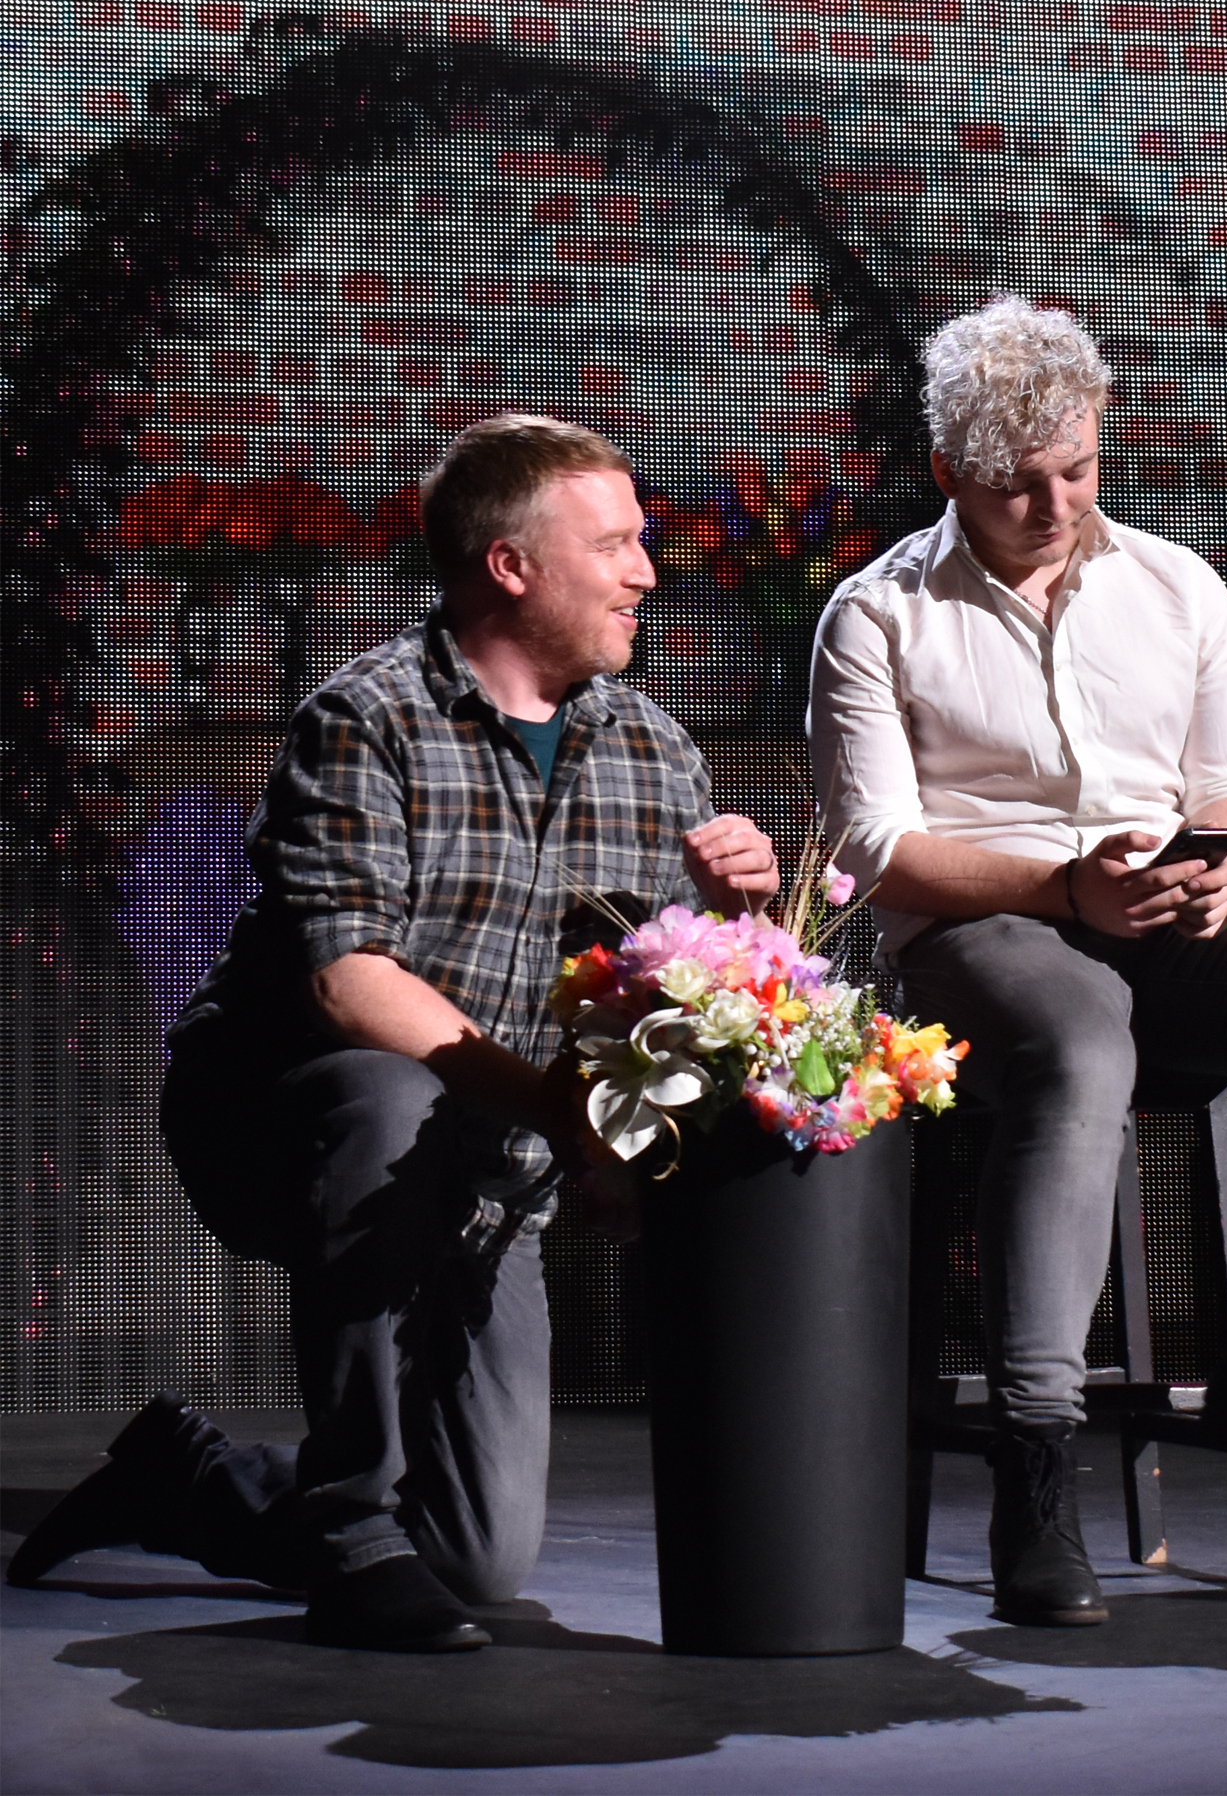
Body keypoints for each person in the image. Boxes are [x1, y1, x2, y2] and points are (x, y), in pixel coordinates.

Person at [7, 416, 780, 1651]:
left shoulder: (655, 750)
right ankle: (354, 1523)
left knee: (476, 1558)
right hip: (289, 1124)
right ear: (511, 565)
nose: (646, 572)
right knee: (388, 1091)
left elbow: (656, 997)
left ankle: (191, 1480)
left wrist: (740, 916)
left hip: (490, 1166)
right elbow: (347, 984)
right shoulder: (365, 720)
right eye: (615, 545)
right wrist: (555, 1109)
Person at [810, 296, 1227, 1629]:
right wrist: (1064, 884)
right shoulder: (879, 612)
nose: (1057, 504)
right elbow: (871, 850)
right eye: (1018, 484)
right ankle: (1036, 1466)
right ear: (948, 471)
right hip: (980, 930)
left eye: (1077, 469)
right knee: (1082, 1038)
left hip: (1159, 914)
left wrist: (1219, 868)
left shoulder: (1177, 584)